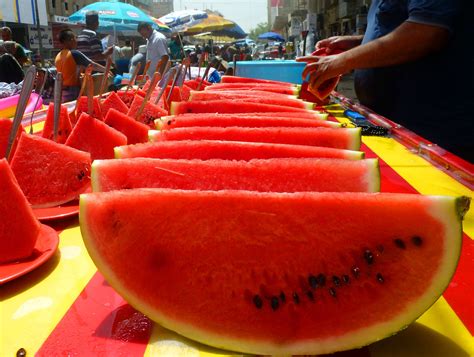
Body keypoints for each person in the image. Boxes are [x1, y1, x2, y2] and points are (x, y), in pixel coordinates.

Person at [297, 1, 473, 162]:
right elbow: (393, 28)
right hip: (393, 128)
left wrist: (344, 61)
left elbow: (427, 32)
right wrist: (358, 43)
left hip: (438, 136)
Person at [55, 29, 106, 102]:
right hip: (74, 90)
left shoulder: (58, 56)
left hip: (63, 91)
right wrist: (107, 70)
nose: (77, 41)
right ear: (71, 40)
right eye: (76, 38)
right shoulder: (74, 53)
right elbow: (92, 65)